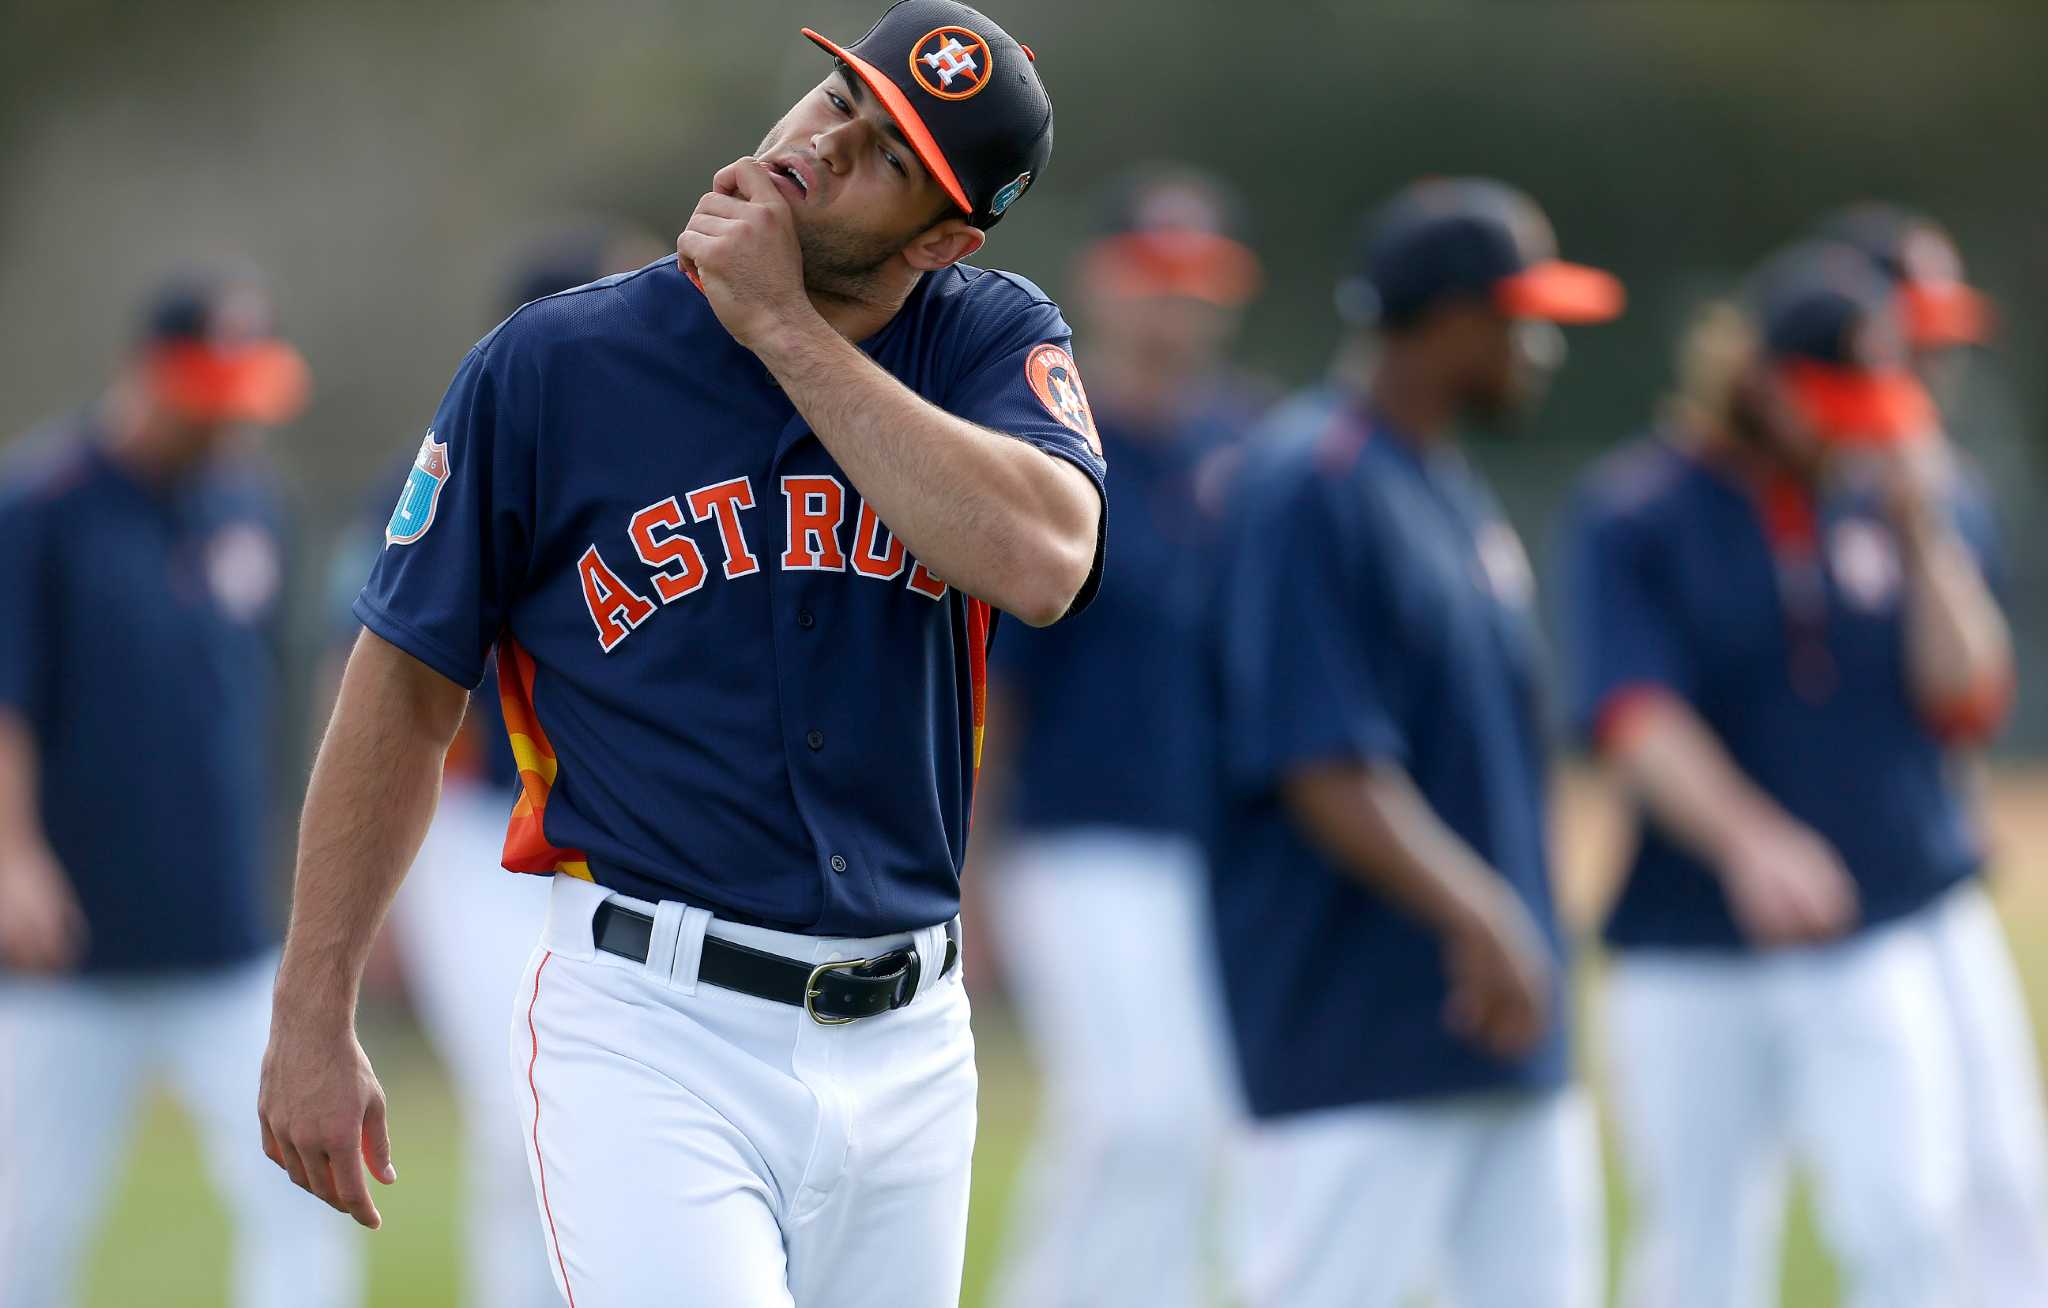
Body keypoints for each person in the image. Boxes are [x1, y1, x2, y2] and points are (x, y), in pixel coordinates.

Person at [256, 3, 1106, 1305]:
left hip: (913, 1041)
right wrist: (313, 1014)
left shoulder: (983, 337)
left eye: (885, 156)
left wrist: (784, 329)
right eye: (838, 103)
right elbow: (403, 686)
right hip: (655, 1022)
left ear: (941, 238)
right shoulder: (554, 363)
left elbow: (1045, 562)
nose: (824, 144)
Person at [1563, 240, 2021, 1307]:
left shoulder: (1901, 499)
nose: (1851, 427)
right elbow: (1632, 714)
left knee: (1908, 1225)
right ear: (1762, 382)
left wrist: (1918, 533)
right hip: (1688, 941)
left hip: (1873, 926)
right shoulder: (1640, 510)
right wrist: (1749, 838)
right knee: (1696, 1256)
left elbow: (1967, 696)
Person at [1210, 178, 1621, 1308]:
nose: (1538, 350)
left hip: (1499, 1022)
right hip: (1355, 1028)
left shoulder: (1437, 481)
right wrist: (1482, 914)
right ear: (1445, 322)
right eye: (1518, 320)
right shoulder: (1309, 482)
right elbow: (1316, 757)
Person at [0, 275, 360, 1307]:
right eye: (211, 390)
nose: (229, 417)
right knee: (30, 1227)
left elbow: (272, 706)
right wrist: (14, 860)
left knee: (302, 1197)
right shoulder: (42, 507)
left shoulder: (251, 503)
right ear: (148, 375)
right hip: (70, 956)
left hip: (228, 943)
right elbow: (7, 701)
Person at [323, 224, 666, 1308]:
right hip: (474, 834)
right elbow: (363, 694)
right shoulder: (431, 472)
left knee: (613, 1126)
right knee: (527, 1120)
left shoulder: (679, 462)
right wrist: (360, 905)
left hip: (627, 838)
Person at [981, 166, 1264, 1308]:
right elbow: (993, 687)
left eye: (1197, 282)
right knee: (1138, 1118)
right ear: (1104, 282)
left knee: (1198, 1128)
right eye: (1154, 278)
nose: (1175, 304)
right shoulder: (1045, 434)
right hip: (1075, 836)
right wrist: (969, 876)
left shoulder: (1248, 446)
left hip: (1214, 841)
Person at [1817, 203, 2048, 1307]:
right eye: (1911, 330)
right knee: (1885, 1201)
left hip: (1929, 868)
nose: (1934, 354)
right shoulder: (1783, 480)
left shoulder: (1941, 483)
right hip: (1800, 899)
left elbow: (1967, 694)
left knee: (2004, 1173)